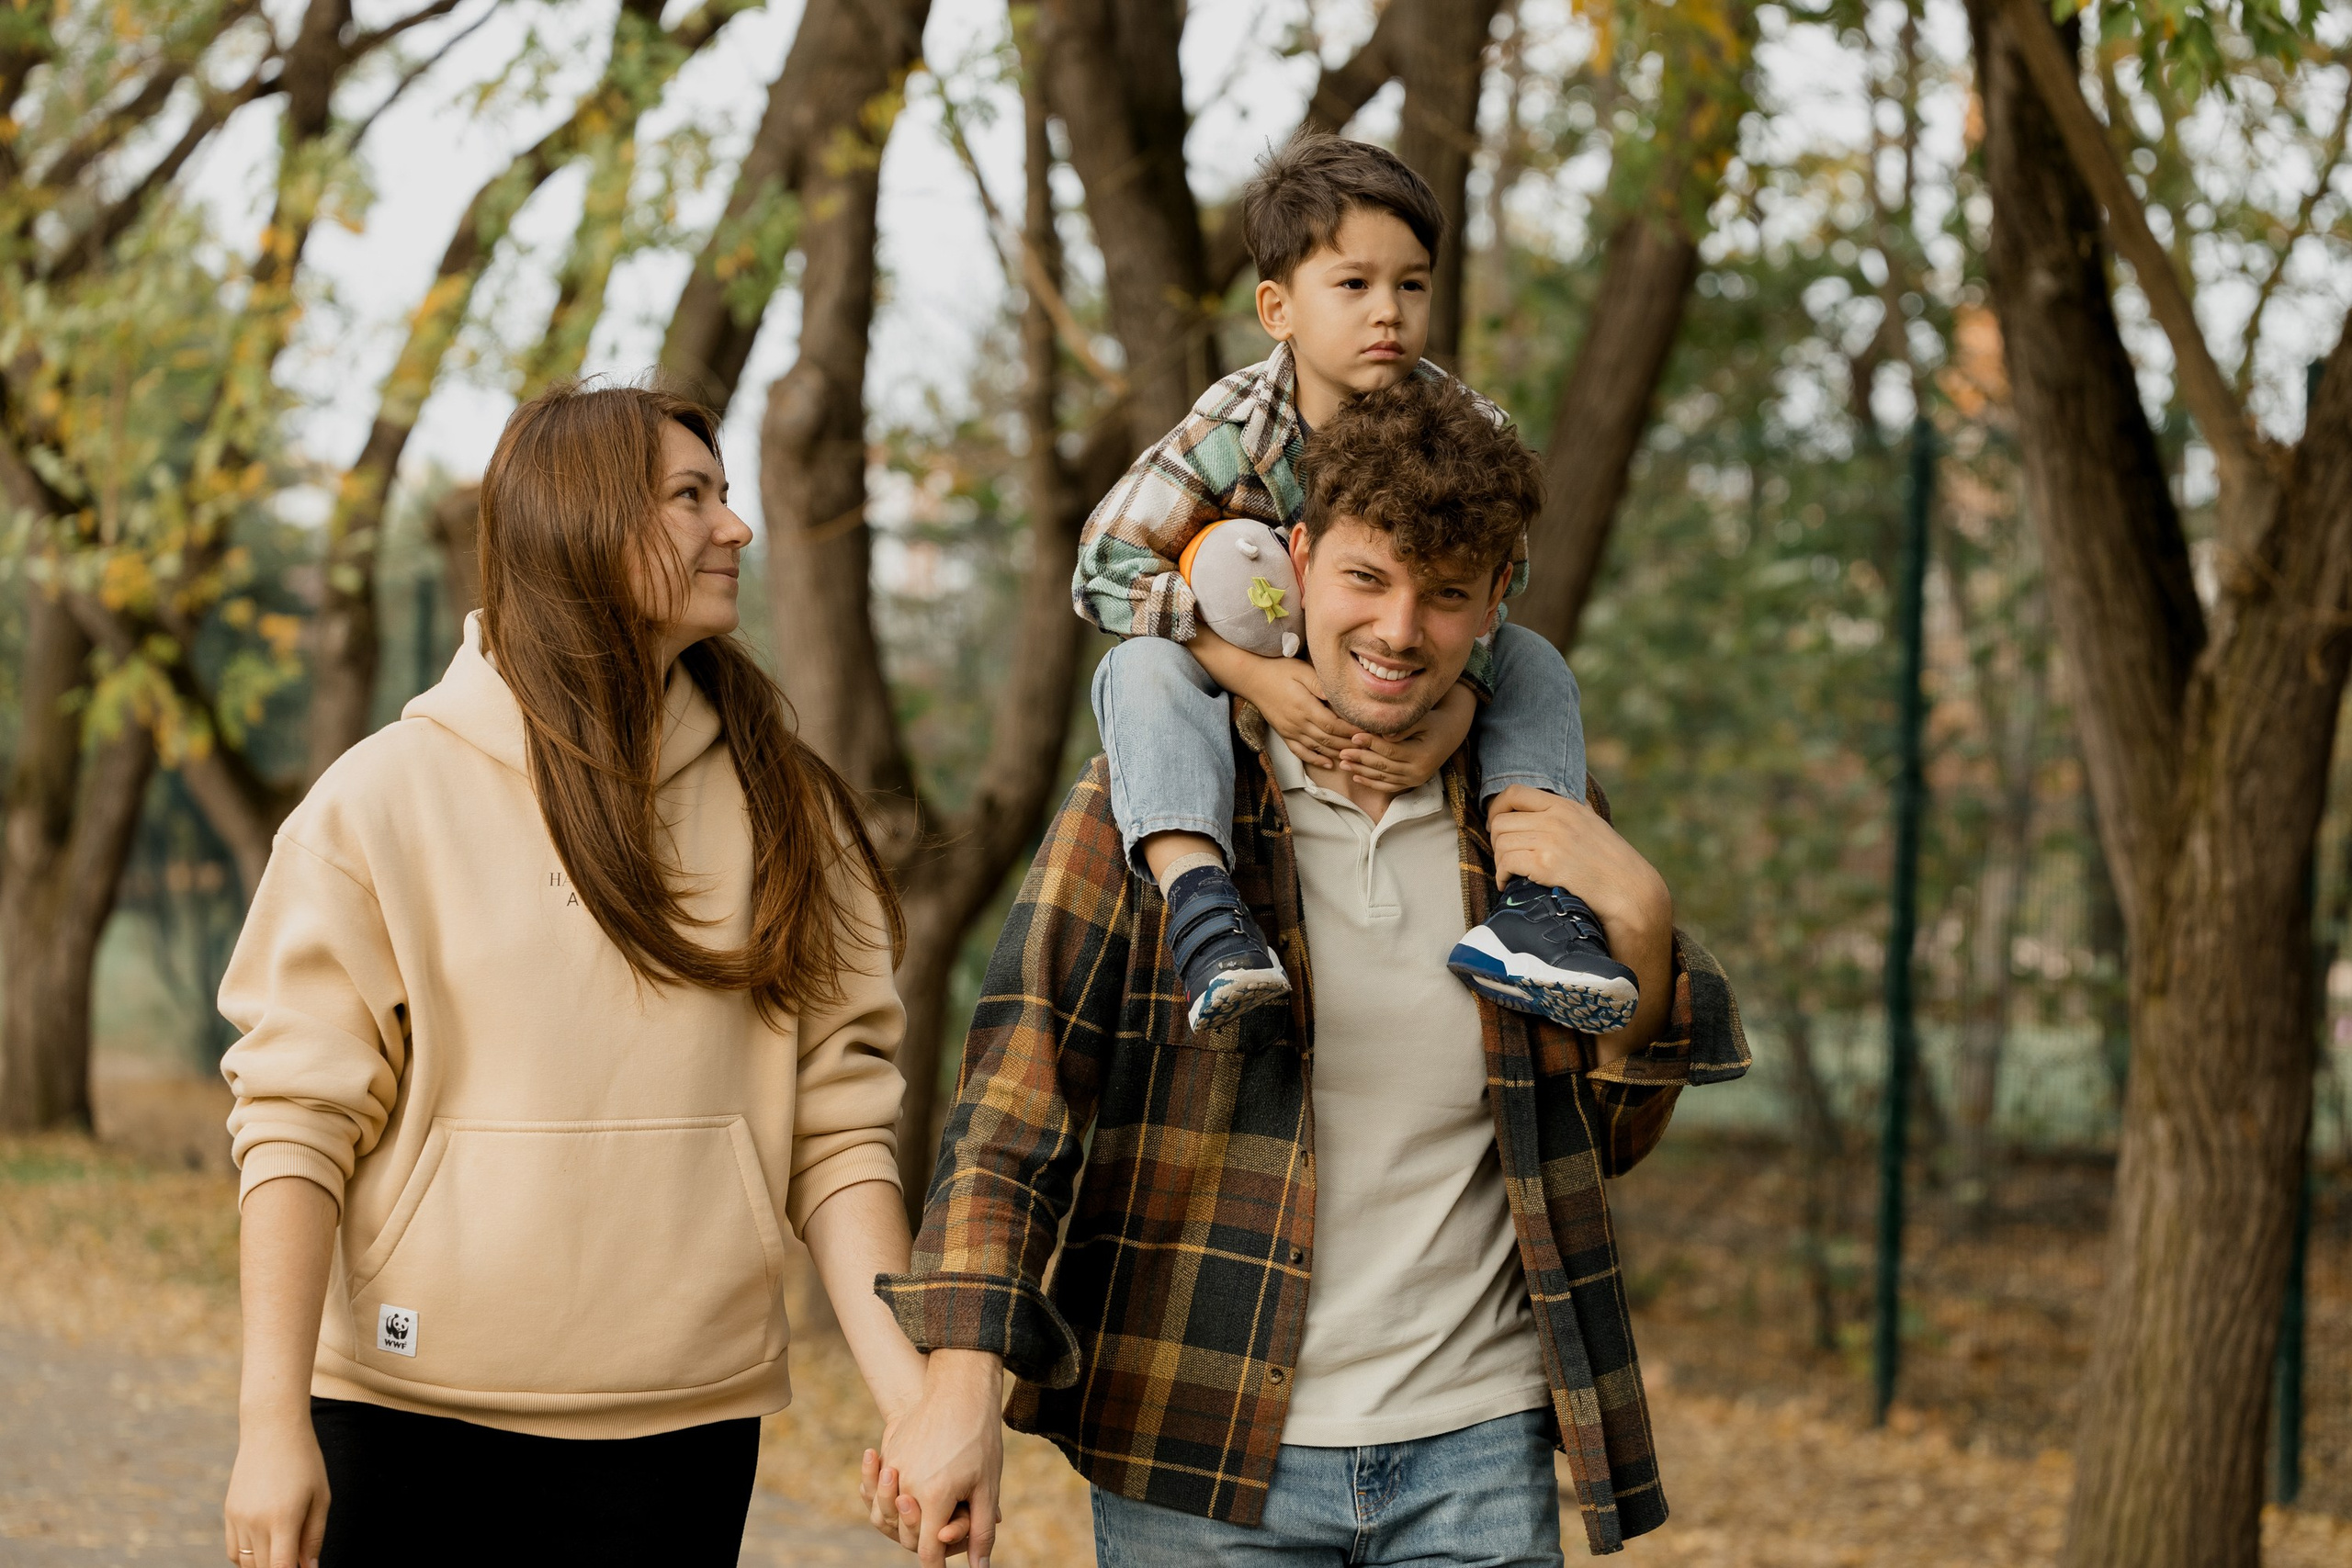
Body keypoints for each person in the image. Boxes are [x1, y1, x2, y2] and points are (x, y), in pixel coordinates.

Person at [867, 377, 1749, 1566]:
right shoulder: (1164, 795)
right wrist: (959, 1383)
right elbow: (1016, 1107)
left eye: (1446, 595)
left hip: (1478, 1450)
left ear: (1496, 600)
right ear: (1298, 560)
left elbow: (1599, 1142)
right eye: (1366, 579)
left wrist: (1641, 934)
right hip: (1199, 1449)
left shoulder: (1532, 812)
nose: (1399, 631)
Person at [216, 383, 926, 1568]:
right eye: (691, 497)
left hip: (682, 1428)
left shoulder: (786, 805)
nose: (734, 526)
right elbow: (296, 1123)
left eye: (725, 494)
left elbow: (839, 1128)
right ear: (581, 525)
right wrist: (267, 1425)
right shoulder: (381, 801)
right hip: (401, 1417)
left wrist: (913, 1403)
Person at [1075, 131, 1637, 1039]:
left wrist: (1456, 713)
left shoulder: (1465, 428)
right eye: (1353, 284)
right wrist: (1253, 676)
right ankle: (1203, 904)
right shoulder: (1236, 428)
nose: (1388, 313)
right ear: (1277, 308)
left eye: (1411, 285)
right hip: (1256, 664)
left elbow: (1501, 586)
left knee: (1535, 662)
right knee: (1139, 666)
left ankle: (1534, 906)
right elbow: (1104, 561)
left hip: (1408, 678)